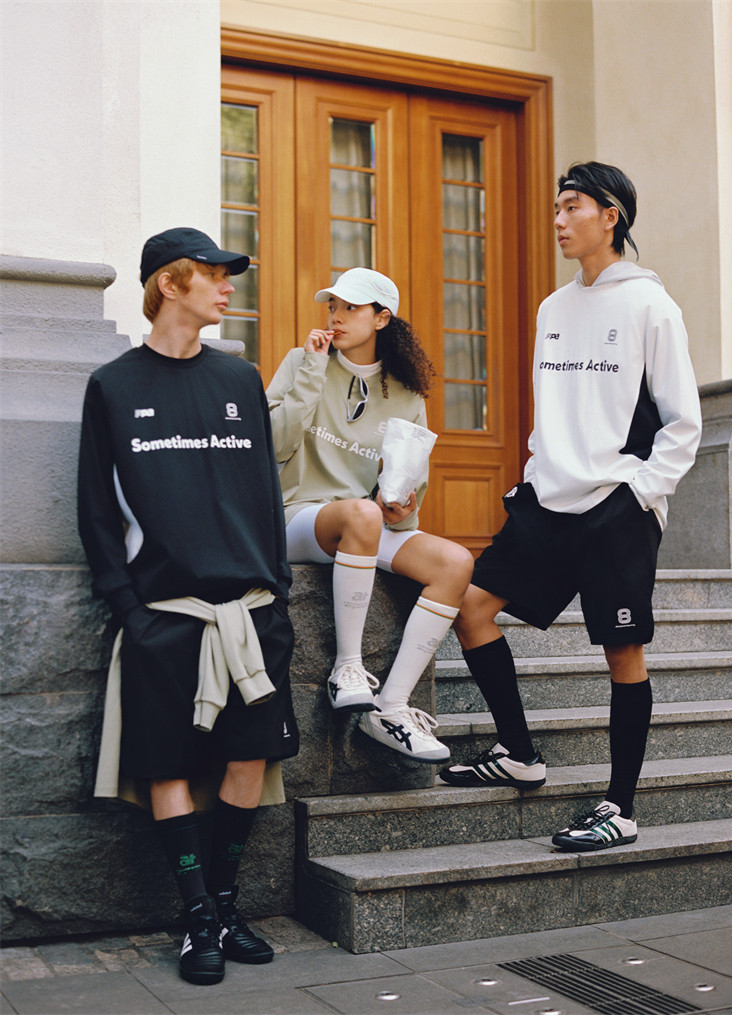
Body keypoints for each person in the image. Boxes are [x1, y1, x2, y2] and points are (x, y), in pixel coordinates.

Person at [442, 162, 702, 852]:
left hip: (617, 506)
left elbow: (684, 423)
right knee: (472, 607)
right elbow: (552, 410)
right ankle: (520, 753)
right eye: (556, 208)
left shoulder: (652, 306)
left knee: (623, 651)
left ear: (610, 216)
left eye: (572, 207)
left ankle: (620, 807)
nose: (558, 220)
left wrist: (640, 495)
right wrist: (532, 476)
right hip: (547, 499)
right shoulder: (552, 309)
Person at [78, 227, 299, 986]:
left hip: (251, 609)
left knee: (248, 756)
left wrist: (281, 594)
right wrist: (129, 612)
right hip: (165, 614)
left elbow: (266, 498)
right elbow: (96, 516)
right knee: (166, 763)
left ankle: (227, 901)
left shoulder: (241, 380)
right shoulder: (113, 386)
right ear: (169, 284)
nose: (227, 285)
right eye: (213, 273)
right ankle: (196, 914)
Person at [266, 267, 474, 764]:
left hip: (365, 523)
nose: (336, 317)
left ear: (382, 318)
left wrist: (402, 504)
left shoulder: (405, 392)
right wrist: (314, 371)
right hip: (299, 516)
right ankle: (348, 668)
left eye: (350, 308)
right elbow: (273, 445)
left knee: (456, 563)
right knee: (360, 515)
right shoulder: (302, 361)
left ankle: (392, 707)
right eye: (332, 306)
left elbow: (408, 486)